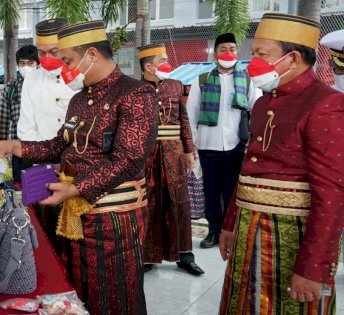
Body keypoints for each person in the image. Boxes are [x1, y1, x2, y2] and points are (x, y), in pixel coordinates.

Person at [0, 20, 158, 315]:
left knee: (113, 294)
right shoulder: (80, 99)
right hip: (75, 212)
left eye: (67, 60)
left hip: (112, 218)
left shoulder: (135, 94)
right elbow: (60, 145)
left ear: (91, 55)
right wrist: (16, 146)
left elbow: (129, 158)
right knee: (76, 291)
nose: (63, 67)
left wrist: (77, 187)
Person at [218, 13, 344, 314]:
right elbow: (249, 168)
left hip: (290, 235)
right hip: (249, 228)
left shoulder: (325, 103)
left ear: (293, 58)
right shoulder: (263, 102)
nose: (253, 61)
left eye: (262, 54)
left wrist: (315, 267)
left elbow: (333, 194)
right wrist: (231, 221)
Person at [186, 32, 261, 248]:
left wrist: (251, 145)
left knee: (231, 194)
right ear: (215, 54)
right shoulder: (201, 80)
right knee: (210, 192)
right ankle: (213, 231)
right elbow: (191, 115)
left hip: (237, 146)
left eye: (232, 49)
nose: (228, 53)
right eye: (223, 49)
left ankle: (231, 232)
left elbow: (256, 111)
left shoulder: (248, 80)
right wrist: (192, 147)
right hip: (207, 146)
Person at [138, 43, 203, 276]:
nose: (168, 63)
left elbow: (184, 120)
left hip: (174, 152)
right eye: (162, 60)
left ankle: (184, 255)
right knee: (149, 201)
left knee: (178, 201)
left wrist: (188, 152)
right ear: (149, 66)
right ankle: (148, 255)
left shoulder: (175, 86)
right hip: (146, 154)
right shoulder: (135, 89)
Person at [16, 18, 77, 142]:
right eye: (41, 53)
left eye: (54, 52)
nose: (47, 58)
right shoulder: (32, 79)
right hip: (43, 156)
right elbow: (26, 128)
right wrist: (41, 157)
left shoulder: (83, 75)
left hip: (79, 155)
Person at [0, 44, 39, 141]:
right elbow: (3, 122)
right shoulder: (10, 88)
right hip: (18, 146)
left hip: (44, 146)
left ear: (38, 64)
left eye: (30, 63)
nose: (26, 67)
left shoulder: (46, 86)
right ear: (18, 65)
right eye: (22, 63)